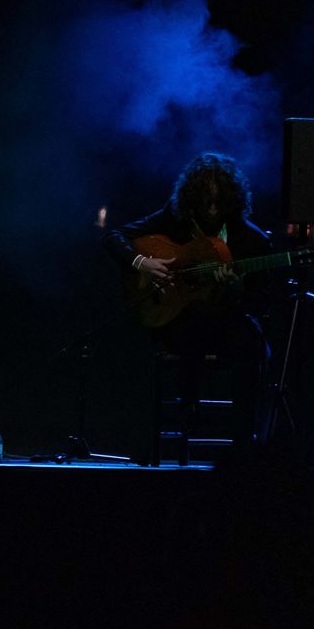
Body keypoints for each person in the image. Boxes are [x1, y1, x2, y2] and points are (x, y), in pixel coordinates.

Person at [103, 152, 274, 455]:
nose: (211, 208)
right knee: (193, 319)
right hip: (178, 320)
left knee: (253, 342)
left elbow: (263, 300)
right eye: (205, 200)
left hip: (225, 323)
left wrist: (236, 288)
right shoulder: (175, 219)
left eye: (218, 202)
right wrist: (141, 262)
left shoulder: (252, 240)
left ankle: (244, 440)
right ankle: (186, 407)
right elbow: (115, 236)